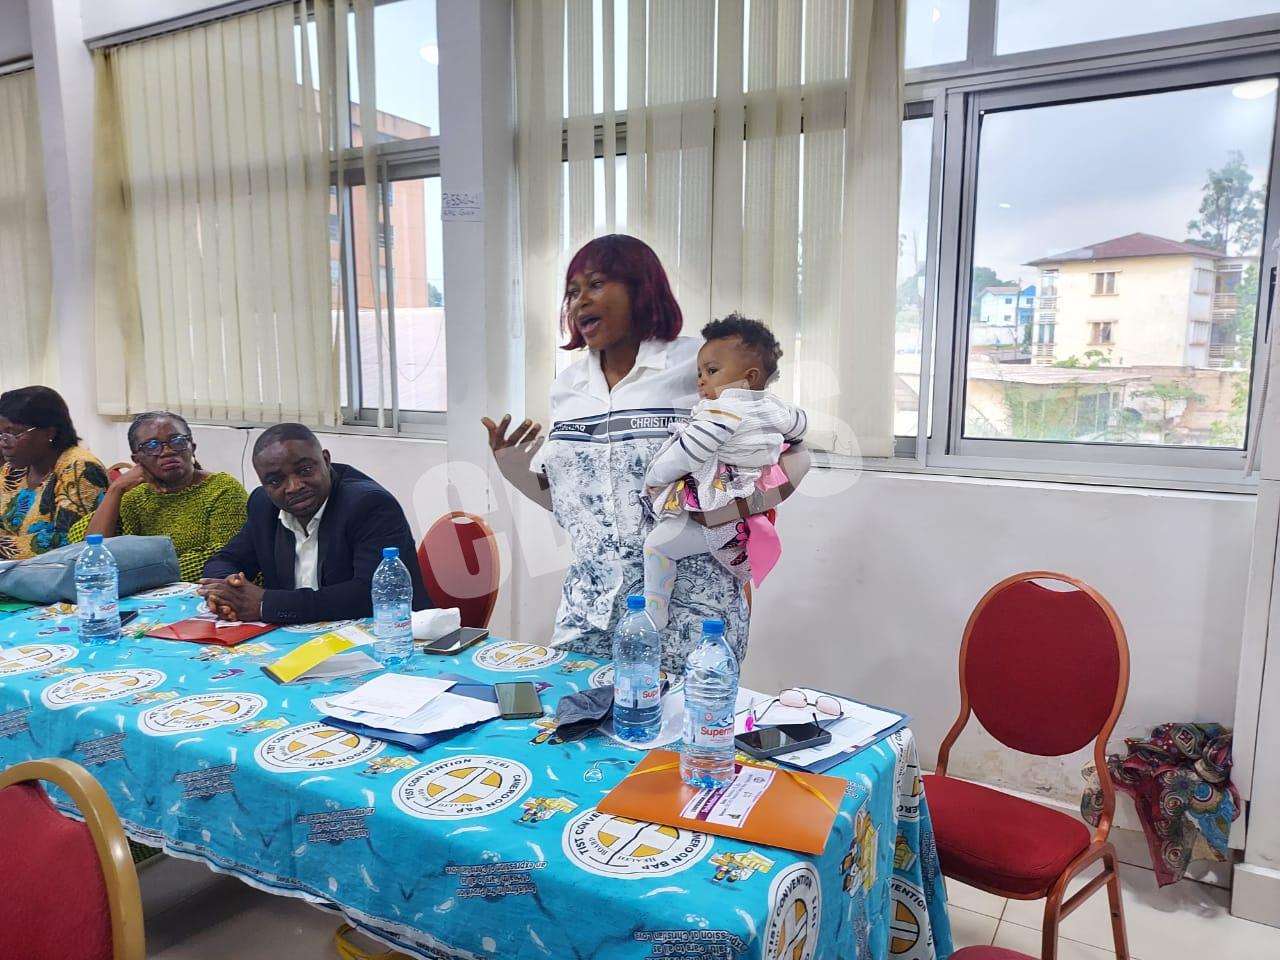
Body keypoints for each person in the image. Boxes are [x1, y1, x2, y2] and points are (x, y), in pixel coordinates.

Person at [482, 234, 809, 674]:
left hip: (692, 614)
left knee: (678, 741)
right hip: (590, 613)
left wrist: (735, 510)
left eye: (596, 284)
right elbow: (581, 508)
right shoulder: (568, 388)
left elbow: (794, 451)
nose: (580, 301)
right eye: (573, 291)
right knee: (570, 737)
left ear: (641, 287)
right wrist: (516, 471)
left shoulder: (699, 364)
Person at [642, 315, 807, 630]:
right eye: (700, 372)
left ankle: (654, 610)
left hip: (719, 507)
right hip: (749, 505)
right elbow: (800, 426)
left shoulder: (723, 411)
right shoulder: (775, 407)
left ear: (749, 377)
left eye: (712, 371)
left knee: (657, 545)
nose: (701, 380)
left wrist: (654, 477)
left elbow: (687, 453)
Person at [199, 423, 431, 623]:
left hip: (386, 638)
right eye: (275, 481)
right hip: (300, 641)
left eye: (305, 470)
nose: (294, 486)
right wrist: (228, 592)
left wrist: (264, 604)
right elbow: (224, 560)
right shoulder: (263, 505)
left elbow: (369, 594)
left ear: (326, 461)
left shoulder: (369, 505)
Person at [68, 412, 250, 582]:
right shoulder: (135, 497)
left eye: (177, 441)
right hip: (146, 598)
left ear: (192, 448)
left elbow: (224, 556)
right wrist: (116, 489)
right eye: (152, 446)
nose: (167, 451)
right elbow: (87, 547)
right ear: (136, 459)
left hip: (212, 594)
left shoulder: (222, 489)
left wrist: (144, 575)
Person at [0, 386, 109, 560]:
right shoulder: (13, 470)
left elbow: (69, 542)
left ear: (49, 432)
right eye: (0, 434)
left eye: (14, 433)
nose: (4, 442)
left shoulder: (80, 468)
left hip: (60, 576)